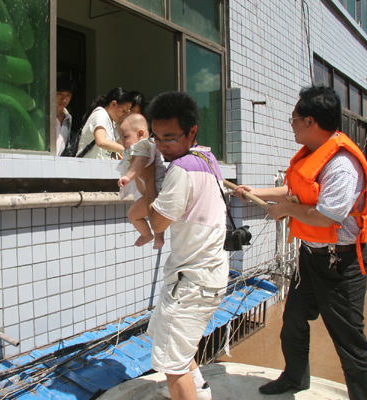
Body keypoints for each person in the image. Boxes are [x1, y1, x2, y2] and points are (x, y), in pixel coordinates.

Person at [234, 85, 367, 400]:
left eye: (294, 118)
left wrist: (285, 210)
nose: (292, 124)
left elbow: (327, 217)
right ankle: (295, 378)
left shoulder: (341, 164)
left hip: (342, 265)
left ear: (310, 121)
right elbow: (292, 192)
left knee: (350, 341)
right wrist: (252, 191)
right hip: (311, 258)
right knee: (293, 320)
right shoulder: (312, 154)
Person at [142, 91, 229, 400]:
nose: (162, 147)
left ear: (192, 131)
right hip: (209, 274)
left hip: (191, 283)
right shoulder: (207, 157)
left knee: (173, 366)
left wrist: (148, 177)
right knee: (179, 348)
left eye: (170, 138)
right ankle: (201, 392)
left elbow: (156, 223)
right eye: (156, 138)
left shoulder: (180, 170)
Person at [116, 113, 166, 249]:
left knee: (132, 215)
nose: (123, 141)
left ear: (140, 134)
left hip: (155, 191)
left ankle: (147, 235)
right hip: (154, 192)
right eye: (121, 138)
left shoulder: (142, 146)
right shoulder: (143, 147)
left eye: (125, 137)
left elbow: (139, 163)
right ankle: (159, 237)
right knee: (154, 214)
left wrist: (128, 176)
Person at [75, 87, 133, 159]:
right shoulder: (100, 114)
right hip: (88, 166)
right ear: (113, 104)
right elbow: (101, 141)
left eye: (127, 113)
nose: (124, 115)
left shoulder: (112, 123)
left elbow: (121, 142)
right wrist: (126, 150)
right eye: (124, 111)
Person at [55, 79, 74, 156]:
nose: (64, 99)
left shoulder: (68, 118)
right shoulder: (43, 115)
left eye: (68, 95)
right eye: (60, 94)